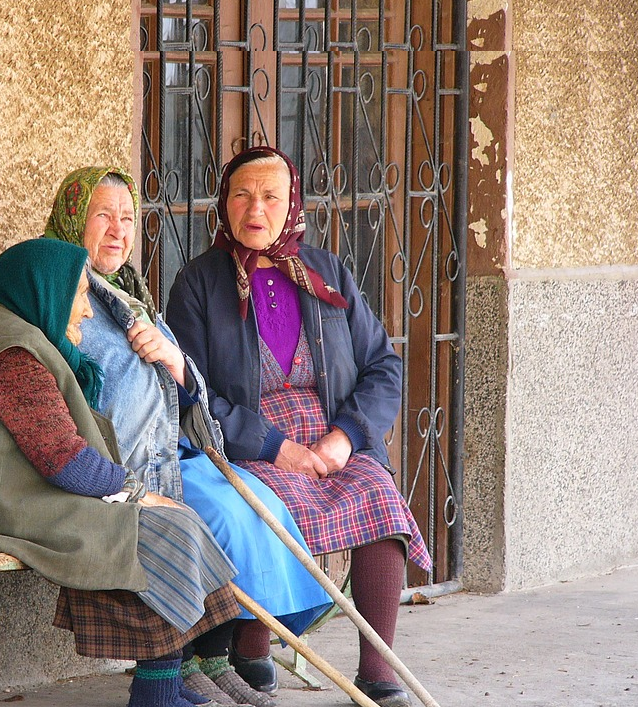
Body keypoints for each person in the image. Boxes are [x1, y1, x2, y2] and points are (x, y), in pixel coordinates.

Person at [0, 238, 244, 707]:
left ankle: (165, 682)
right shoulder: (10, 351)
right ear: (45, 292)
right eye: (79, 295)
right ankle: (156, 692)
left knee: (167, 522)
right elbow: (65, 461)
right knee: (156, 528)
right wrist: (137, 494)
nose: (84, 311)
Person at [44, 166, 332, 707]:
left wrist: (174, 359)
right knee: (211, 519)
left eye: (127, 218)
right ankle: (179, 670)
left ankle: (213, 658)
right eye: (102, 216)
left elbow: (189, 384)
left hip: (177, 450)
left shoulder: (132, 295)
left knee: (253, 505)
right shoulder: (61, 299)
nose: (117, 230)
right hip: (126, 466)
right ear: (72, 221)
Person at [165, 146, 434, 707]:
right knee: (275, 511)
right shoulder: (198, 283)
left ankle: (378, 672)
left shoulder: (326, 272)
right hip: (252, 442)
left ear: (292, 206)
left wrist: (346, 438)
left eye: (270, 196)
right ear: (224, 204)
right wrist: (273, 445)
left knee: (378, 497)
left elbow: (383, 365)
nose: (255, 209)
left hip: (334, 437)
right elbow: (191, 390)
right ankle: (252, 642)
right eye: (242, 194)